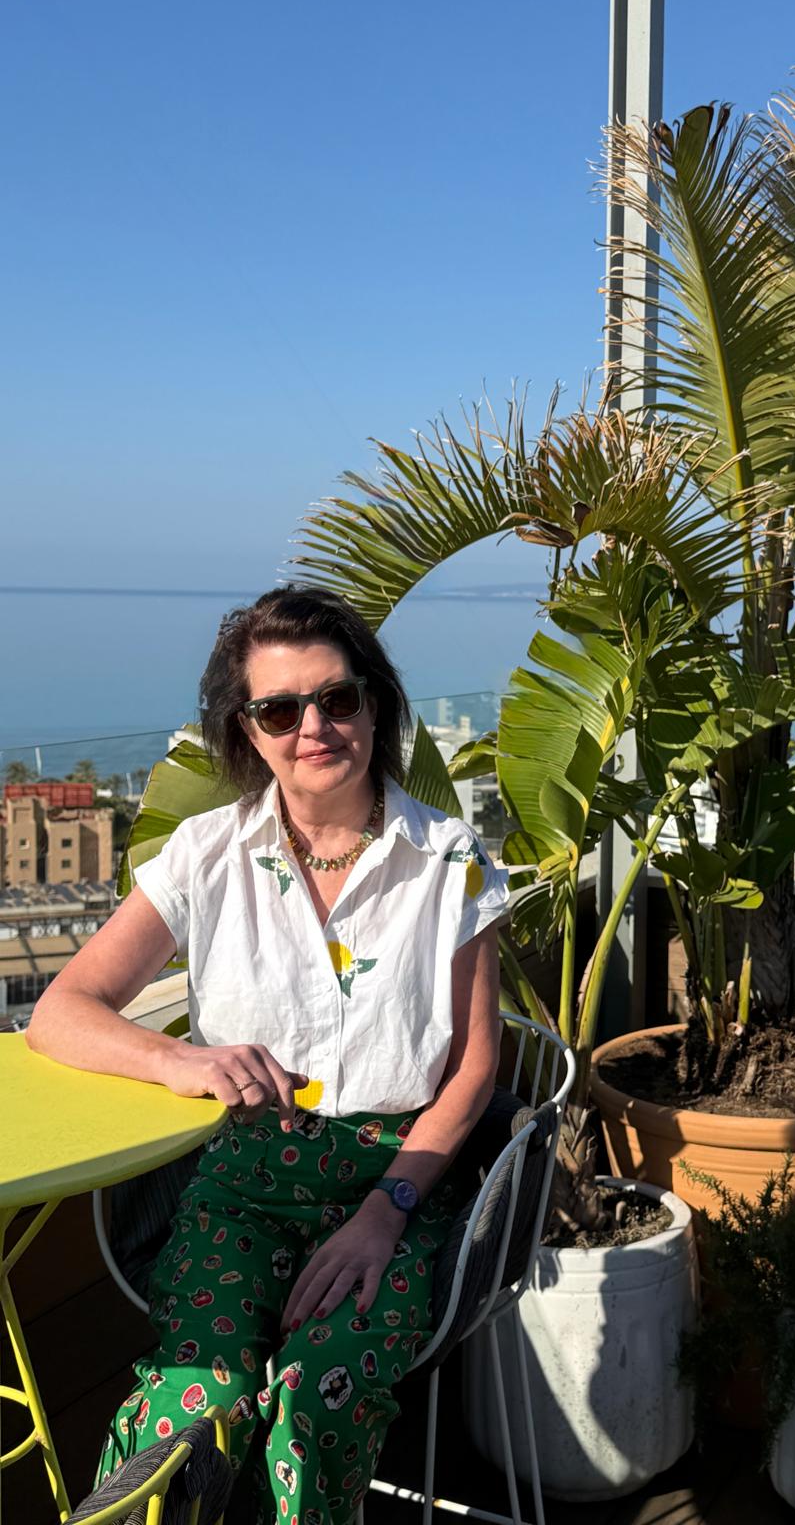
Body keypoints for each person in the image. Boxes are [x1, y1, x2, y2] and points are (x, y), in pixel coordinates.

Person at [26, 586, 507, 1525]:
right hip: (242, 1180)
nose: (314, 727)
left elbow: (475, 1070)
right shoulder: (205, 857)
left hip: (394, 1182)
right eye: (281, 710)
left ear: (376, 704)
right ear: (247, 731)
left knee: (314, 1396)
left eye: (338, 699)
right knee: (193, 1397)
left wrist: (385, 1212)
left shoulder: (446, 857)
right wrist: (185, 1063)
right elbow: (62, 1009)